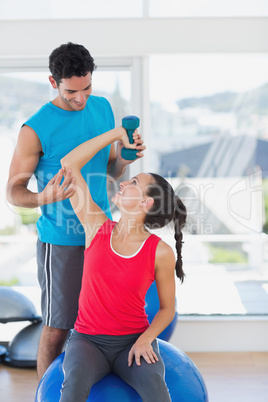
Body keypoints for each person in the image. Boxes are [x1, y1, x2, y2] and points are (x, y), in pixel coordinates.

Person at [6, 42, 145, 380]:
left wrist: (127, 156)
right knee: (57, 327)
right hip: (61, 240)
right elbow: (13, 192)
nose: (81, 98)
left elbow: (110, 171)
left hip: (102, 233)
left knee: (102, 323)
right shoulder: (35, 128)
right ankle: (44, 394)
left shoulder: (102, 108)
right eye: (71, 91)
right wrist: (42, 198)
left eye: (87, 88)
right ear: (53, 82)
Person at [58, 126, 187, 402]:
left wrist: (146, 339)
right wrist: (117, 134)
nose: (124, 183)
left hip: (133, 340)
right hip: (88, 340)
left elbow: (167, 309)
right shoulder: (96, 226)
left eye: (134, 184)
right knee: (73, 388)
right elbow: (69, 164)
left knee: (157, 391)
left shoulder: (160, 252)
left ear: (145, 202)